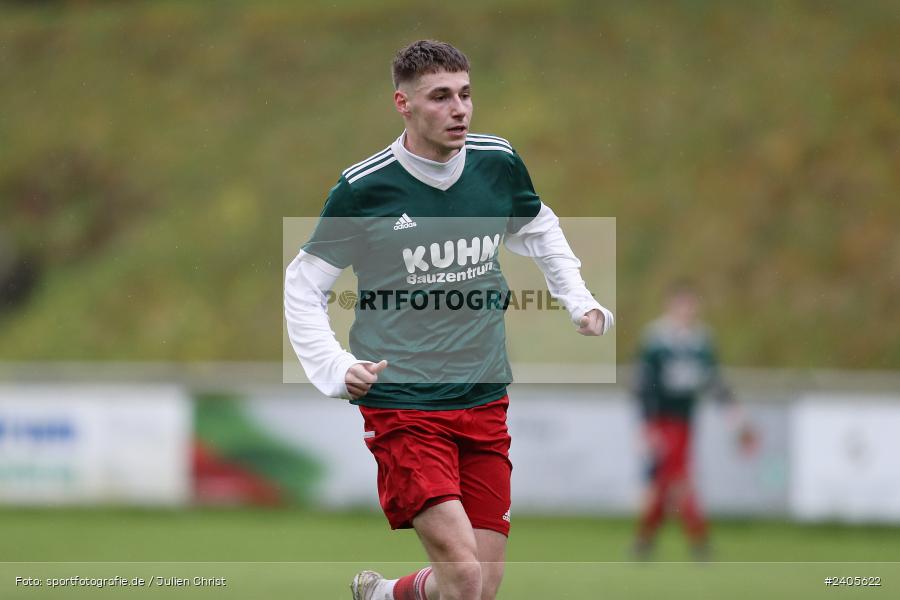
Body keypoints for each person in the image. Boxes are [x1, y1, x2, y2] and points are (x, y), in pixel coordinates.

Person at [284, 40, 614, 600]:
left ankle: (386, 595)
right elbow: (303, 283)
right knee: (462, 576)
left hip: (483, 395)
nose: (459, 108)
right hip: (405, 404)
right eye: (440, 97)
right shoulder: (365, 189)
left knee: (480, 586)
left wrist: (577, 299)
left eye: (465, 94)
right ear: (403, 104)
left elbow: (538, 226)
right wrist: (337, 367)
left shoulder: (497, 163)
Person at [631, 280, 754, 560]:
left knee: (666, 484)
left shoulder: (701, 341)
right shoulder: (656, 340)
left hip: (686, 422)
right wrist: (647, 427)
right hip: (663, 422)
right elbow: (643, 386)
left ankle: (644, 540)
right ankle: (698, 540)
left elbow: (714, 381)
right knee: (679, 480)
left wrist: (735, 414)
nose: (686, 311)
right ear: (670, 306)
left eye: (690, 305)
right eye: (681, 305)